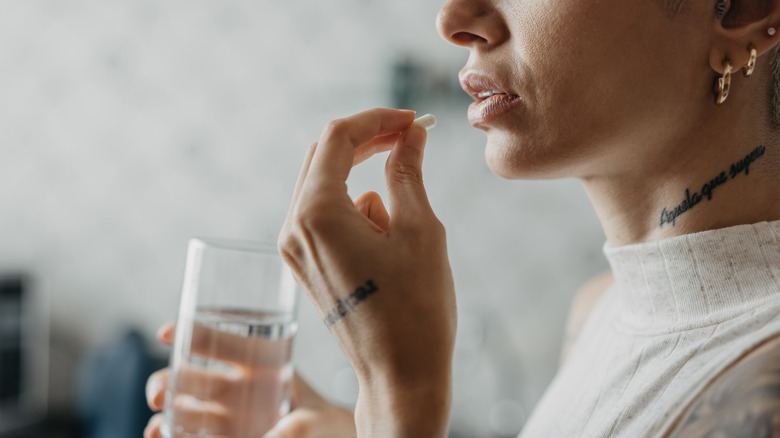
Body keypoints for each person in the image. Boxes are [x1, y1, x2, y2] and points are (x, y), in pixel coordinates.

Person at [144, 0, 780, 435]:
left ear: (742, 11)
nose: (454, 18)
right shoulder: (599, 313)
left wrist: (400, 392)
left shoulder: (767, 388)